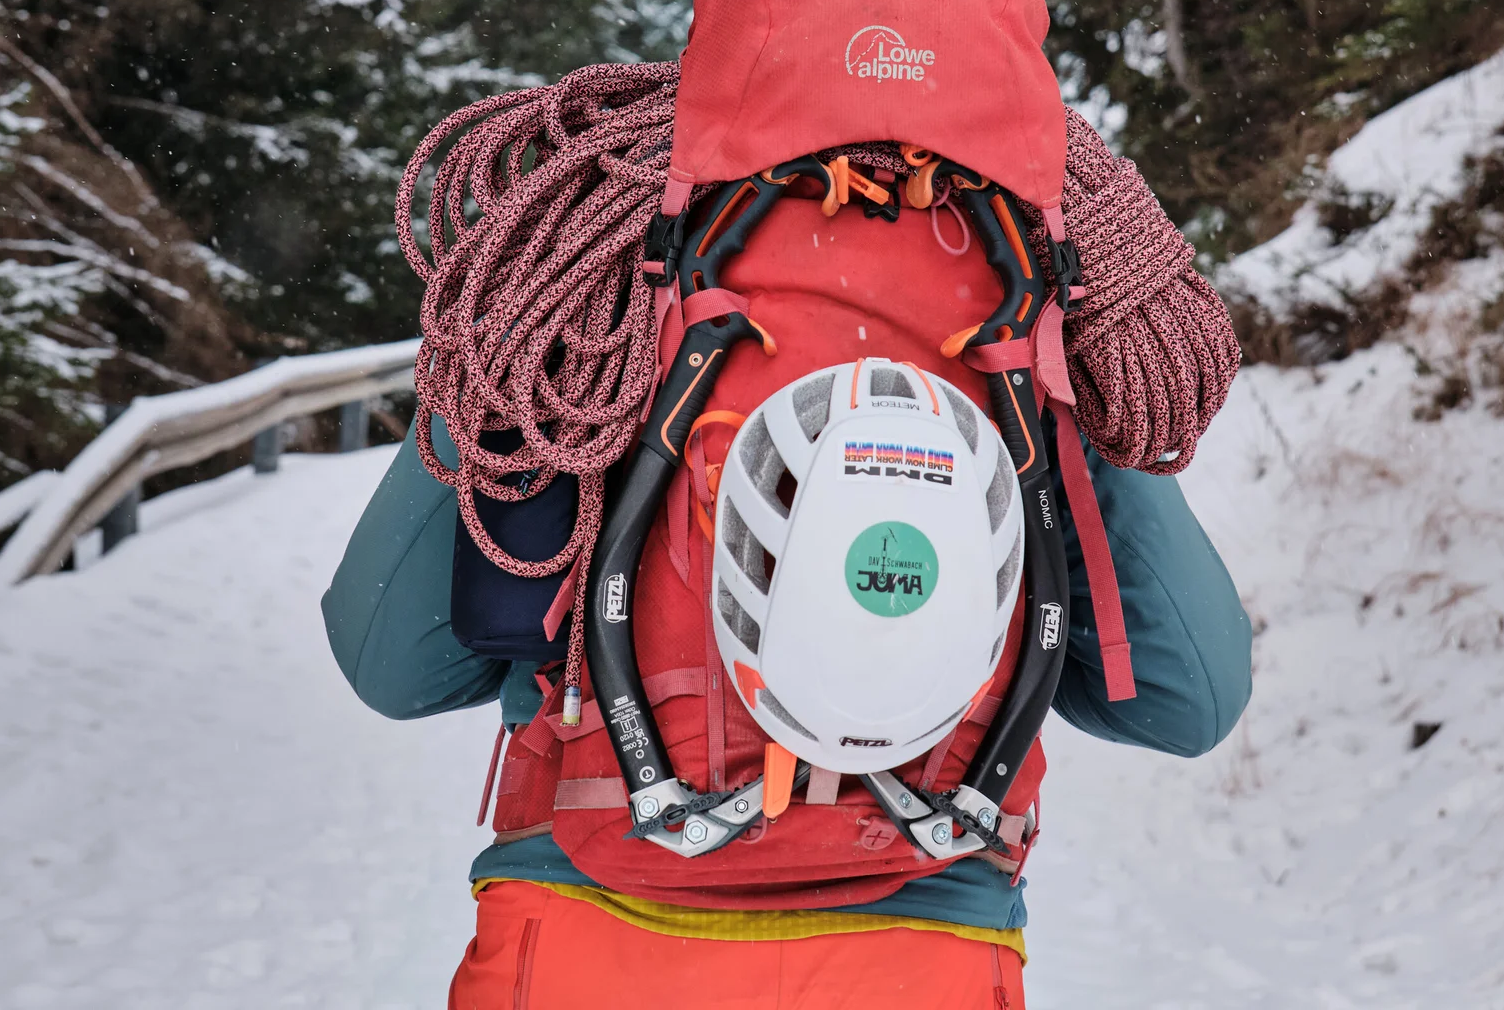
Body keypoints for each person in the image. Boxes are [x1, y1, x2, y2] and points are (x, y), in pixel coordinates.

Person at [323, 411, 1251, 1007]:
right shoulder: (1026, 288)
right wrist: (1081, 385)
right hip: (921, 935)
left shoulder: (589, 268)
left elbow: (392, 667)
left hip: (582, 927)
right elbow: (1188, 701)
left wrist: (496, 345)